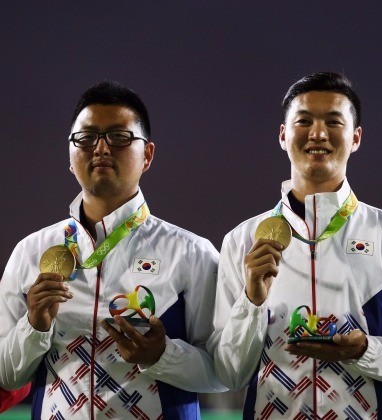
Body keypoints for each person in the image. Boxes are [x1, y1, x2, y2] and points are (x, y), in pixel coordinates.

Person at [208, 72, 382, 419]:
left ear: (356, 138)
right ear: (283, 136)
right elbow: (229, 373)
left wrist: (366, 350)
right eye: (304, 121)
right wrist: (251, 301)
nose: (318, 133)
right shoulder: (242, 240)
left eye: (333, 121)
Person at [0, 81, 225, 418]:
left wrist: (161, 356)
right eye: (87, 138)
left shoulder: (193, 253)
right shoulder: (30, 252)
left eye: (119, 137)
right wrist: (34, 325)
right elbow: (7, 376)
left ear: (147, 155)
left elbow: (224, 373)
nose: (101, 148)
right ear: (71, 155)